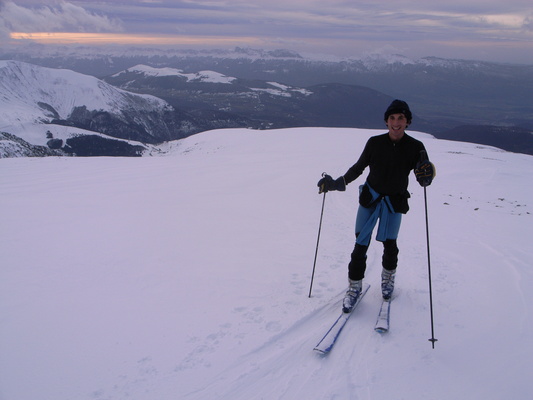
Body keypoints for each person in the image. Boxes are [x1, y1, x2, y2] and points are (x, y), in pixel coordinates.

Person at [317, 99, 435, 313]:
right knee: (360, 245)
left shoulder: (416, 147)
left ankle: (387, 280)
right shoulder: (374, 143)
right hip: (370, 199)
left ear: (408, 121)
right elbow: (358, 168)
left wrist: (426, 177)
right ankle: (354, 287)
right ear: (386, 121)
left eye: (401, 118)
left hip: (394, 202)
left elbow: (422, 176)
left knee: (390, 245)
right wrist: (336, 184)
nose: (396, 122)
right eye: (392, 118)